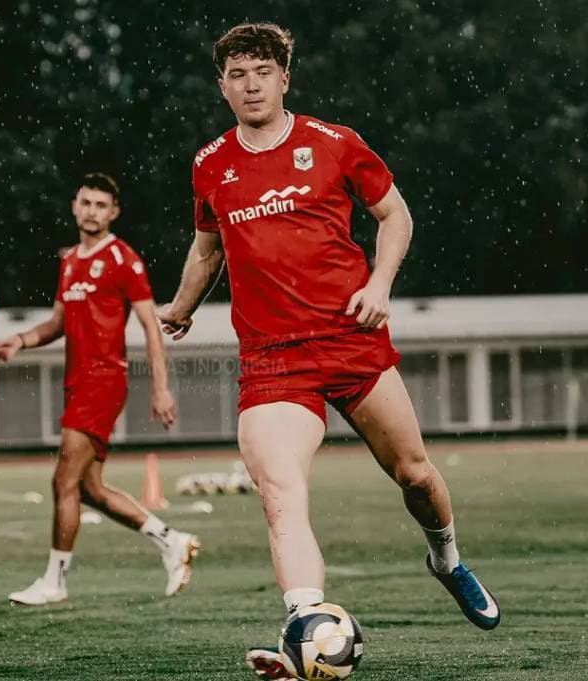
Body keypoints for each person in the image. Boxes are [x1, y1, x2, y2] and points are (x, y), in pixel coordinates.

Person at [155, 22, 500, 677]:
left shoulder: (335, 143)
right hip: (273, 361)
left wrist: (379, 284)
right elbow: (207, 248)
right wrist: (180, 306)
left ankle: (447, 559)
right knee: (280, 491)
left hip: (351, 339)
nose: (251, 85)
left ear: (285, 78)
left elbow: (396, 215)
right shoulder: (210, 163)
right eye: (237, 74)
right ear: (222, 86)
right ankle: (305, 624)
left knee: (416, 475)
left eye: (263, 72)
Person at [0, 172, 201, 605]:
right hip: (77, 383)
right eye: (85, 203)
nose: (91, 211)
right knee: (88, 488)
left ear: (114, 212)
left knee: (62, 481)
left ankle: (55, 582)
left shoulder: (124, 259)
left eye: (101, 205)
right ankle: (171, 540)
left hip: (103, 382)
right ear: (74, 206)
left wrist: (160, 389)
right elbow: (57, 323)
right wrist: (21, 340)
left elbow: (151, 326)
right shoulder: (70, 261)